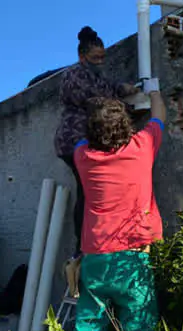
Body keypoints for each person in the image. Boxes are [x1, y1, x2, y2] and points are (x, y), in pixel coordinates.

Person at [73, 78, 165, 331]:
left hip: (96, 255)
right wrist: (154, 91)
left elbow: (82, 138)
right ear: (127, 125)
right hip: (133, 256)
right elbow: (159, 115)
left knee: (88, 330)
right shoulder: (143, 146)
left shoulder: (83, 156)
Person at [55, 26, 138, 261]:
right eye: (95, 58)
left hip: (89, 141)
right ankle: (83, 247)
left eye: (103, 57)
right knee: (87, 193)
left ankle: (91, 243)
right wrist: (126, 107)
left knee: (92, 192)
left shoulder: (95, 75)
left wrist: (125, 88)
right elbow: (97, 102)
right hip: (75, 141)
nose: (100, 61)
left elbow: (110, 88)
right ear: (82, 57)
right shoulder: (75, 75)